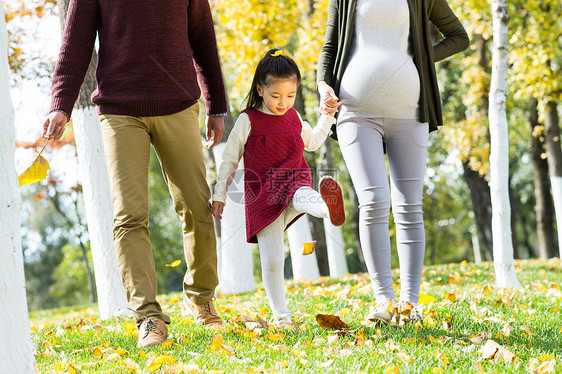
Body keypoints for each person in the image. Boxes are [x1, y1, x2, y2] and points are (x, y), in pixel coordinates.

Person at [42, 0, 228, 347]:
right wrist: (60, 105)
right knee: (129, 215)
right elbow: (75, 44)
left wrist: (216, 103)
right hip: (120, 110)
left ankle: (201, 299)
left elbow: (203, 38)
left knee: (196, 206)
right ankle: (149, 317)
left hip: (179, 103)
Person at [317, 0, 469, 324]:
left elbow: (459, 36)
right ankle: (383, 301)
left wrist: (421, 58)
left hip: (410, 111)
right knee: (373, 201)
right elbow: (331, 44)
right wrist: (322, 85)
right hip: (355, 112)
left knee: (409, 206)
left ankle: (409, 304)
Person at [212, 49, 345, 326]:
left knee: (303, 194)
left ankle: (325, 206)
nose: (283, 103)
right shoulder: (248, 120)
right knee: (272, 260)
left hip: (294, 179)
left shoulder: (294, 118)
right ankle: (281, 314)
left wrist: (327, 116)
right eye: (276, 96)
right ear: (260, 89)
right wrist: (220, 193)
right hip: (264, 196)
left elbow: (313, 142)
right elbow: (229, 159)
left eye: (290, 96)